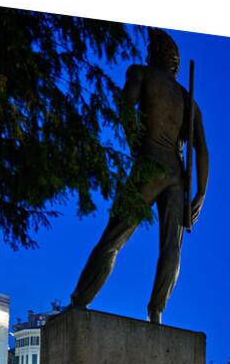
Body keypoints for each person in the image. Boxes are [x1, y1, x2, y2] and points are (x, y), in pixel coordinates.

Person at [70, 29, 210, 325]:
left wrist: (133, 139)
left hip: (150, 162)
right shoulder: (189, 101)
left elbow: (124, 108)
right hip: (177, 176)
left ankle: (80, 300)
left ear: (153, 55)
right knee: (171, 247)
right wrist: (200, 194)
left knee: (115, 236)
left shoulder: (142, 74)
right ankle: (156, 310)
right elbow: (202, 150)